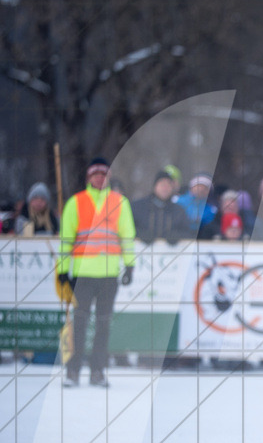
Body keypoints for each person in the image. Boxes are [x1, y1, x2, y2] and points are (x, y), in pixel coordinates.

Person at [56, 157, 137, 387]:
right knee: (78, 324)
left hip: (109, 275)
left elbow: (127, 238)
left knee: (103, 325)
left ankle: (97, 371)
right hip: (82, 275)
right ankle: (72, 371)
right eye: (96, 174)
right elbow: (66, 241)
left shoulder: (120, 202)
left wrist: (130, 265)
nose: (100, 178)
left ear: (108, 177)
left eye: (104, 174)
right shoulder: (76, 202)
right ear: (89, 177)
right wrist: (63, 271)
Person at [131, 170, 191, 244]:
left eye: (169, 185)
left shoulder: (179, 211)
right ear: (155, 186)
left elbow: (188, 233)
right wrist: (139, 234)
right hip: (141, 253)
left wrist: (177, 236)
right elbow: (127, 228)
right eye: (162, 184)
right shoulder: (138, 207)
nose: (165, 188)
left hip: (170, 254)